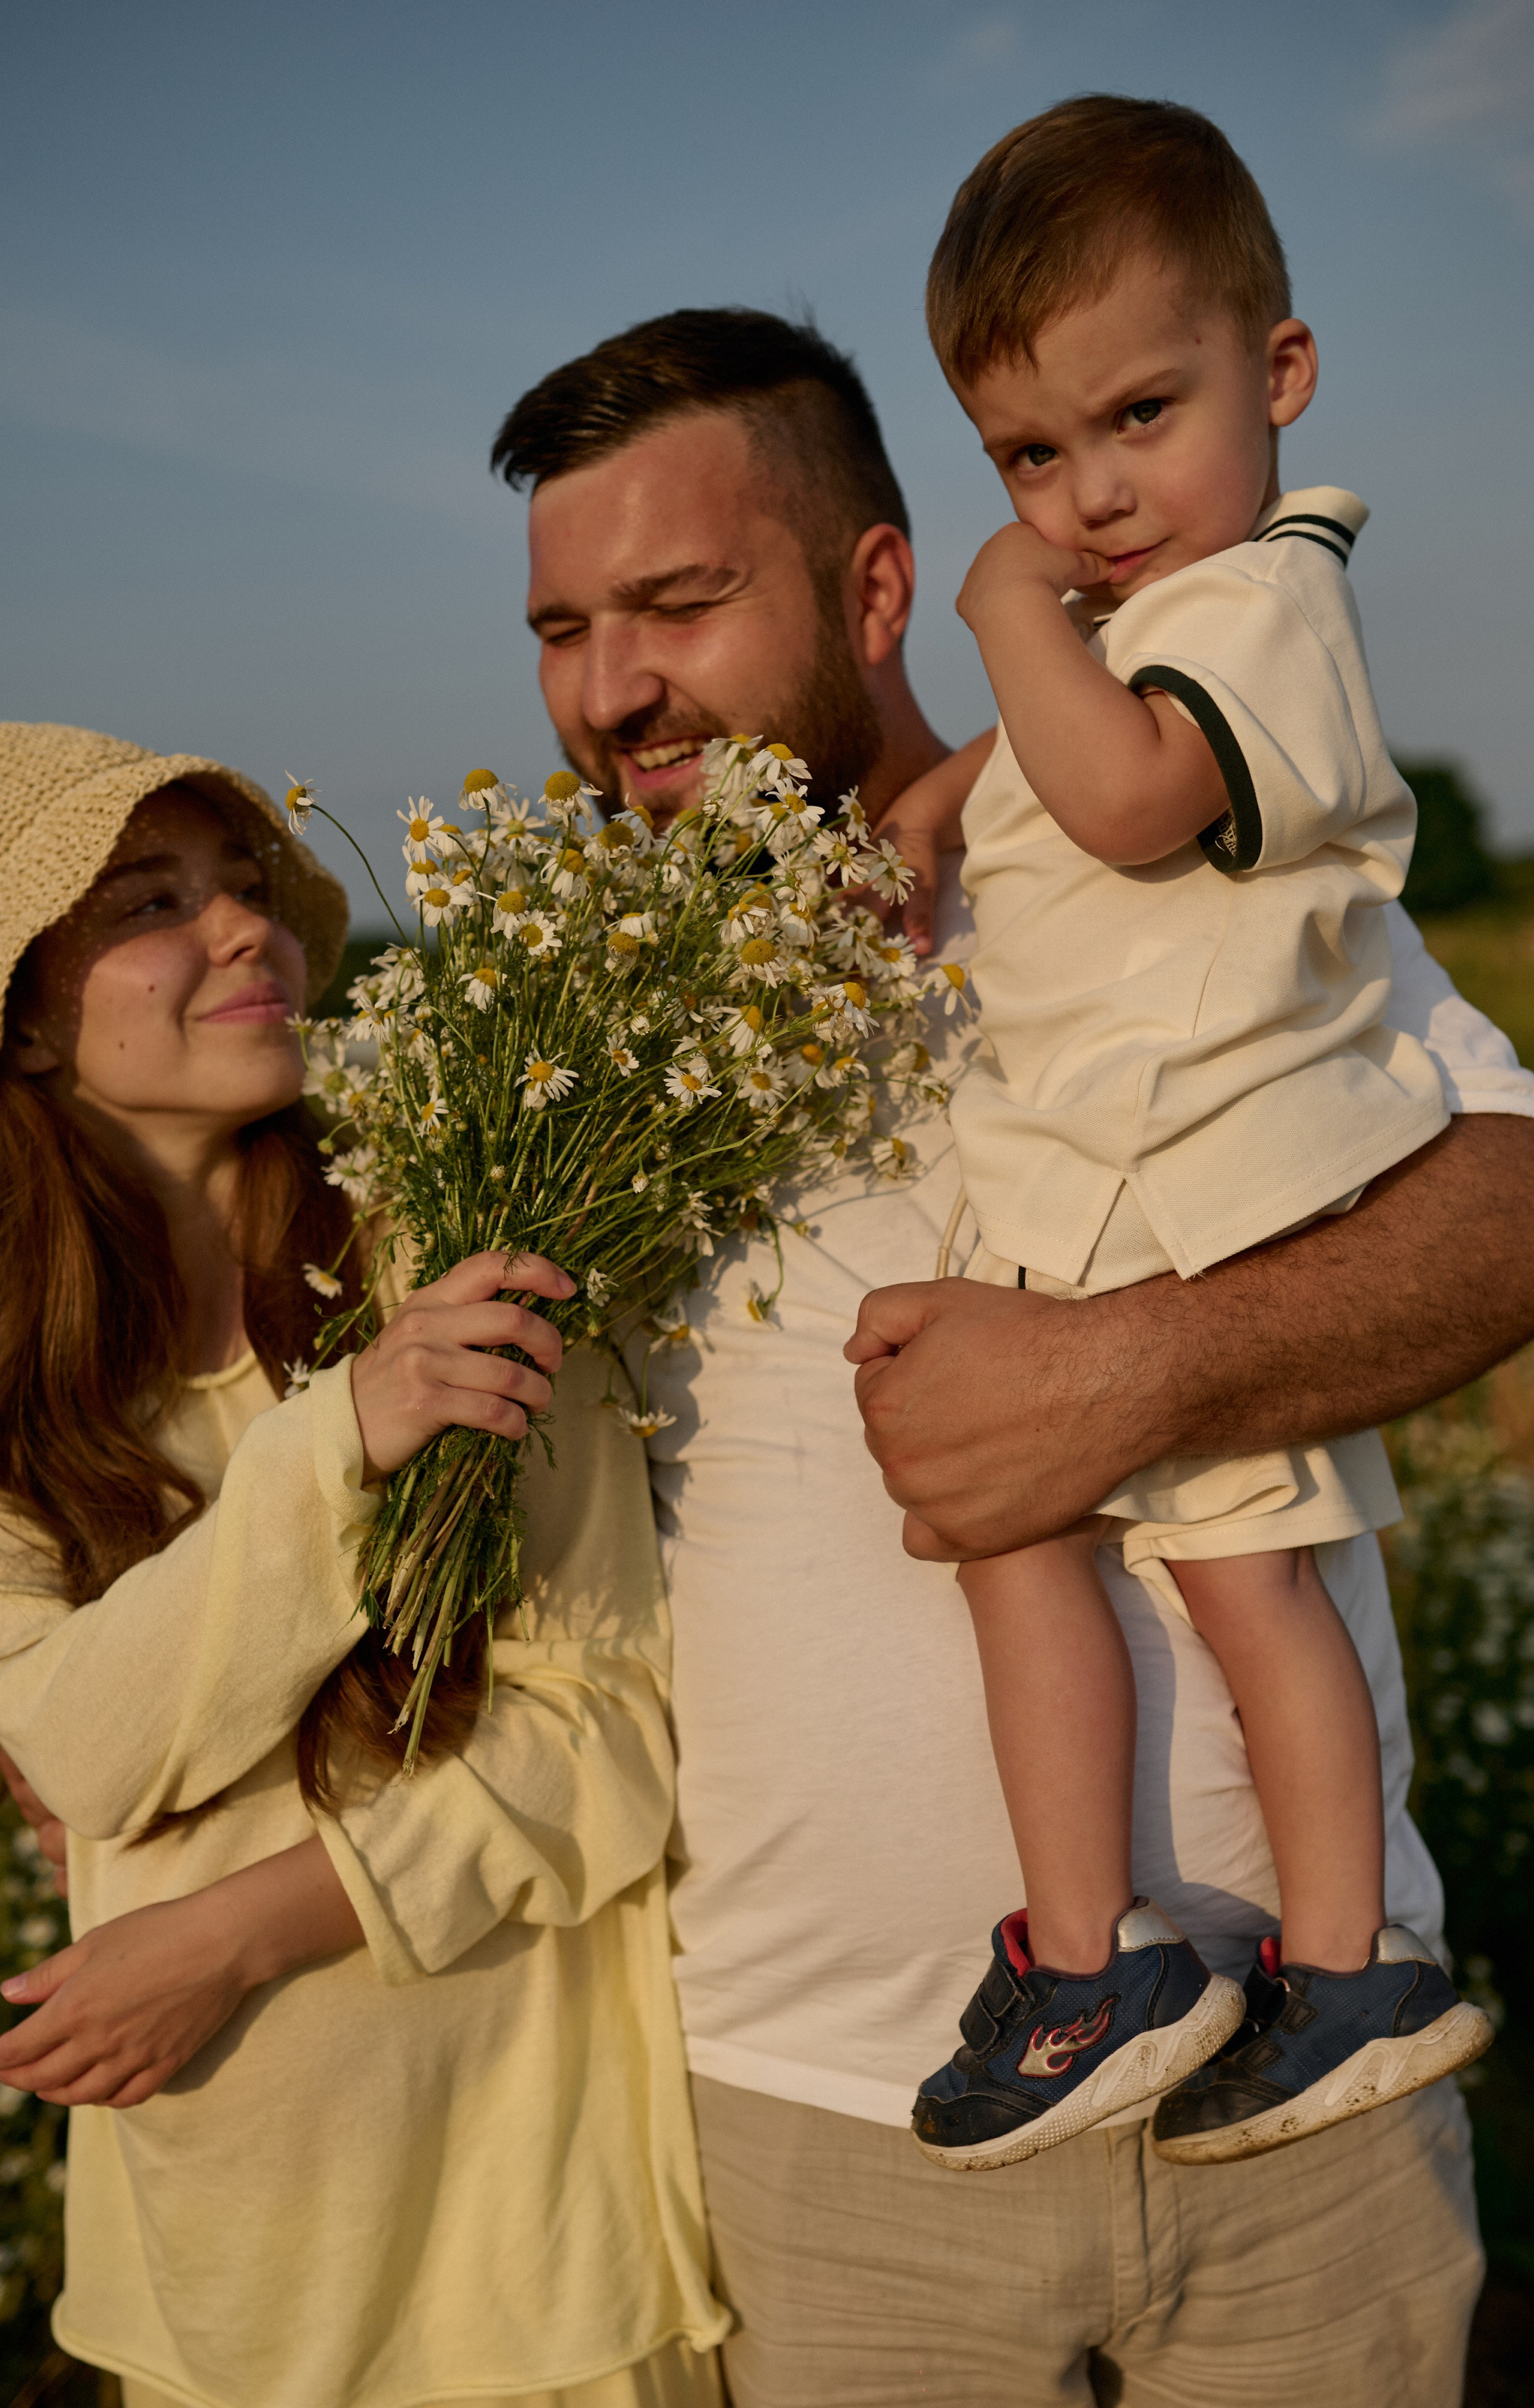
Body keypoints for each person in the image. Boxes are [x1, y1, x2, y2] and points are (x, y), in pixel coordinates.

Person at [494, 306, 1534, 2401]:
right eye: (565, 624)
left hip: (1296, 2085)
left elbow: (1510, 1194)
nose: (615, 690)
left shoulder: (1144, 857)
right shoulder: (572, 1046)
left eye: (683, 602)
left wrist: (1130, 1376)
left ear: (881, 587)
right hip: (833, 2129)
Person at [0, 721, 726, 2408]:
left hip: (532, 2262)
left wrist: (241, 1928)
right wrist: (334, 1439)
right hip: (223, 2283)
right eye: (152, 902)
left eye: (247, 889)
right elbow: (76, 1746)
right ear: (23, 1014)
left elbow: (614, 1732)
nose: (245, 931)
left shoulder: (463, 1247)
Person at [851, 94, 1493, 2178]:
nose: (1091, 496)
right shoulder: (1147, 622)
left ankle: (1347, 1963)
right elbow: (1052, 780)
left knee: (1257, 1591)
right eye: (1031, 457)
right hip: (1088, 1198)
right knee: (1003, 1530)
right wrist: (943, 797)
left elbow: (1131, 795)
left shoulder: (1274, 603)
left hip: (1203, 1208)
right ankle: (1085, 1953)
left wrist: (998, 603)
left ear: (1279, 376)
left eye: (1141, 415)